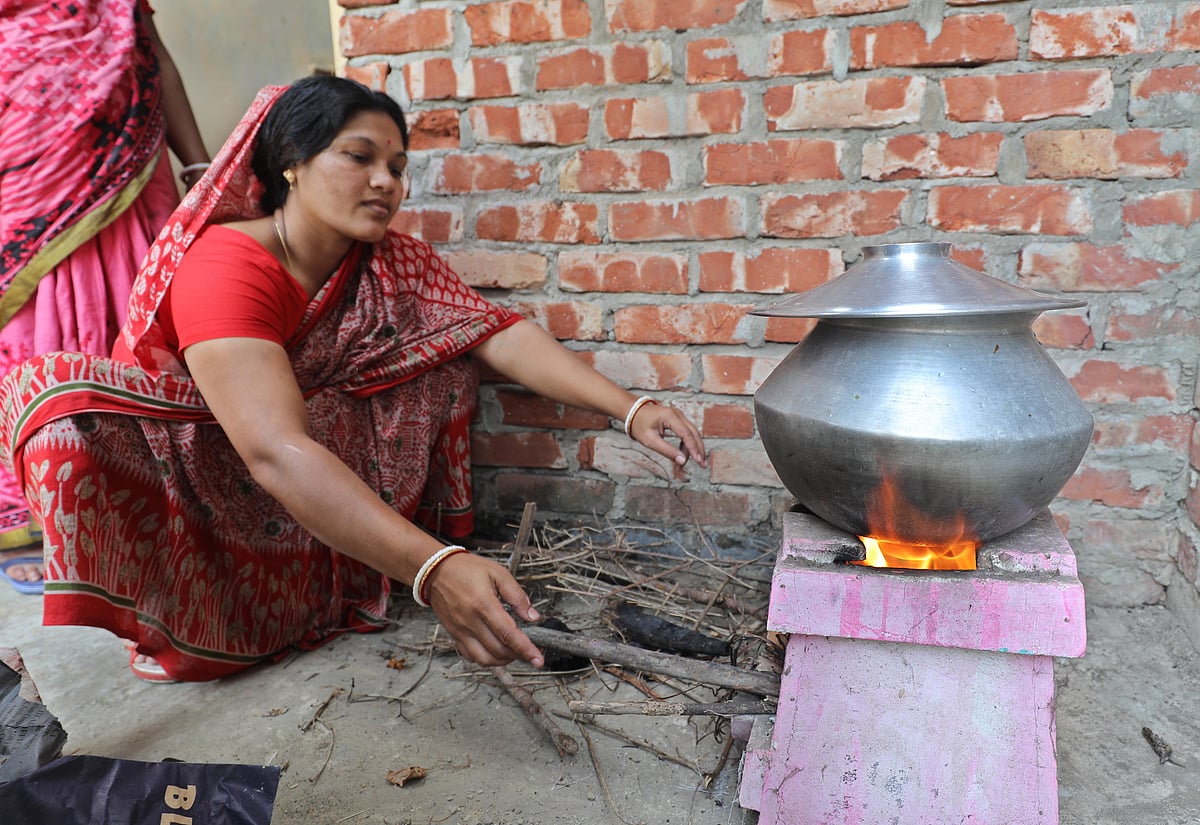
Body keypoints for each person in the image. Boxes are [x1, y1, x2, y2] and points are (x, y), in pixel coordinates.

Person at [0, 75, 707, 682]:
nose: (385, 182)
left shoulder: (389, 261)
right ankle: (239, 596)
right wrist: (435, 569)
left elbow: (494, 331)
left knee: (442, 357)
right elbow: (272, 447)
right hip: (212, 481)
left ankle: (350, 572)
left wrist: (631, 406)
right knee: (61, 411)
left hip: (307, 476)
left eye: (398, 167)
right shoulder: (226, 264)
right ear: (291, 165)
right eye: (359, 156)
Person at [0, 0, 210, 590]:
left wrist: (198, 166)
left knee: (139, 317)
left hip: (127, 164)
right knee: (29, 334)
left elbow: (151, 51)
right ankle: (48, 516)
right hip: (23, 171)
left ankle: (153, 506)